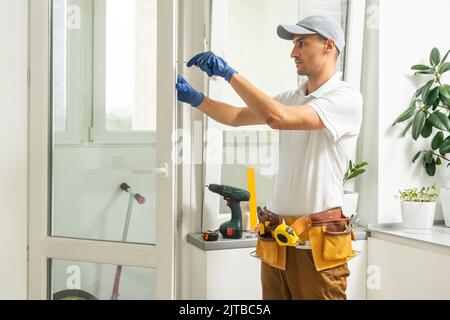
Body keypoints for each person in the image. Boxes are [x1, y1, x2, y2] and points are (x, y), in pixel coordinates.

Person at [176, 15, 363, 300]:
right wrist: (195, 98)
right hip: (277, 238)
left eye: (301, 43)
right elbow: (237, 117)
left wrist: (230, 74)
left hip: (317, 243)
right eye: (293, 45)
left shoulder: (345, 98)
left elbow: (278, 118)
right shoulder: (292, 97)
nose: (293, 52)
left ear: (329, 46)